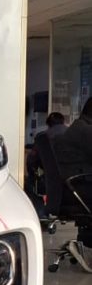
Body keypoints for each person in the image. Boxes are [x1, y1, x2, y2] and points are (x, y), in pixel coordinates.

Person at [52, 99, 92, 270]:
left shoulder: (77, 129)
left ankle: (86, 246)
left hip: (74, 190)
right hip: (81, 190)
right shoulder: (86, 132)